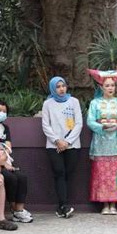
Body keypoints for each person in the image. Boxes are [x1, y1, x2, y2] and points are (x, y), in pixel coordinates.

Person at [87, 68, 117, 215]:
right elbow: (90, 121)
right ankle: (105, 204)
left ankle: (115, 203)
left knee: (115, 173)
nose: (110, 88)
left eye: (112, 85)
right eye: (107, 86)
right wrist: (102, 126)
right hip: (101, 141)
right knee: (102, 173)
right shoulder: (94, 103)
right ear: (101, 87)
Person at [42, 76, 83, 218]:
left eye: (63, 85)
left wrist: (67, 142)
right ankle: (63, 205)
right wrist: (57, 141)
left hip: (72, 145)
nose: (61, 89)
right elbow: (45, 125)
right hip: (54, 146)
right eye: (58, 86)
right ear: (53, 88)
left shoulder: (74, 102)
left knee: (67, 174)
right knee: (59, 173)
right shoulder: (48, 104)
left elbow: (79, 123)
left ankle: (62, 206)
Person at [0, 100, 33, 223]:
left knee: (22, 177)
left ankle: (19, 210)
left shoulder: (5, 128)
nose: (2, 113)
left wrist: (4, 161)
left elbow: (8, 147)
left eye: (5, 111)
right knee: (10, 178)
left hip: (5, 160)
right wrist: (1, 163)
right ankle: (13, 209)